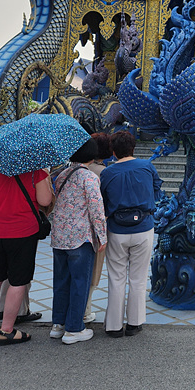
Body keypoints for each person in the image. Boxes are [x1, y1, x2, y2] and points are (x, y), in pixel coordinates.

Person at [0, 166, 53, 345]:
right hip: (23, 232)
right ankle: (7, 330)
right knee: (18, 281)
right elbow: (45, 200)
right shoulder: (36, 171)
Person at [99, 131, 161, 338]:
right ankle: (134, 323)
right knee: (138, 278)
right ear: (133, 148)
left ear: (113, 151)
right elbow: (157, 189)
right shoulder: (147, 166)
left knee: (116, 278)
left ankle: (114, 326)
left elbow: (102, 200)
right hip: (143, 226)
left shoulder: (108, 173)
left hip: (117, 228)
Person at [50, 137, 107, 345]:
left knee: (61, 281)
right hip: (80, 238)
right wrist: (102, 235)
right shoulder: (89, 177)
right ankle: (74, 329)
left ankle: (58, 325)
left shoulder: (61, 175)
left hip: (59, 237)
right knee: (80, 282)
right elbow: (96, 208)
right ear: (91, 156)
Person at [82, 131, 113, 323]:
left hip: (75, 228)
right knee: (94, 269)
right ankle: (85, 310)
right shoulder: (105, 173)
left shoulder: (76, 170)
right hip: (97, 227)